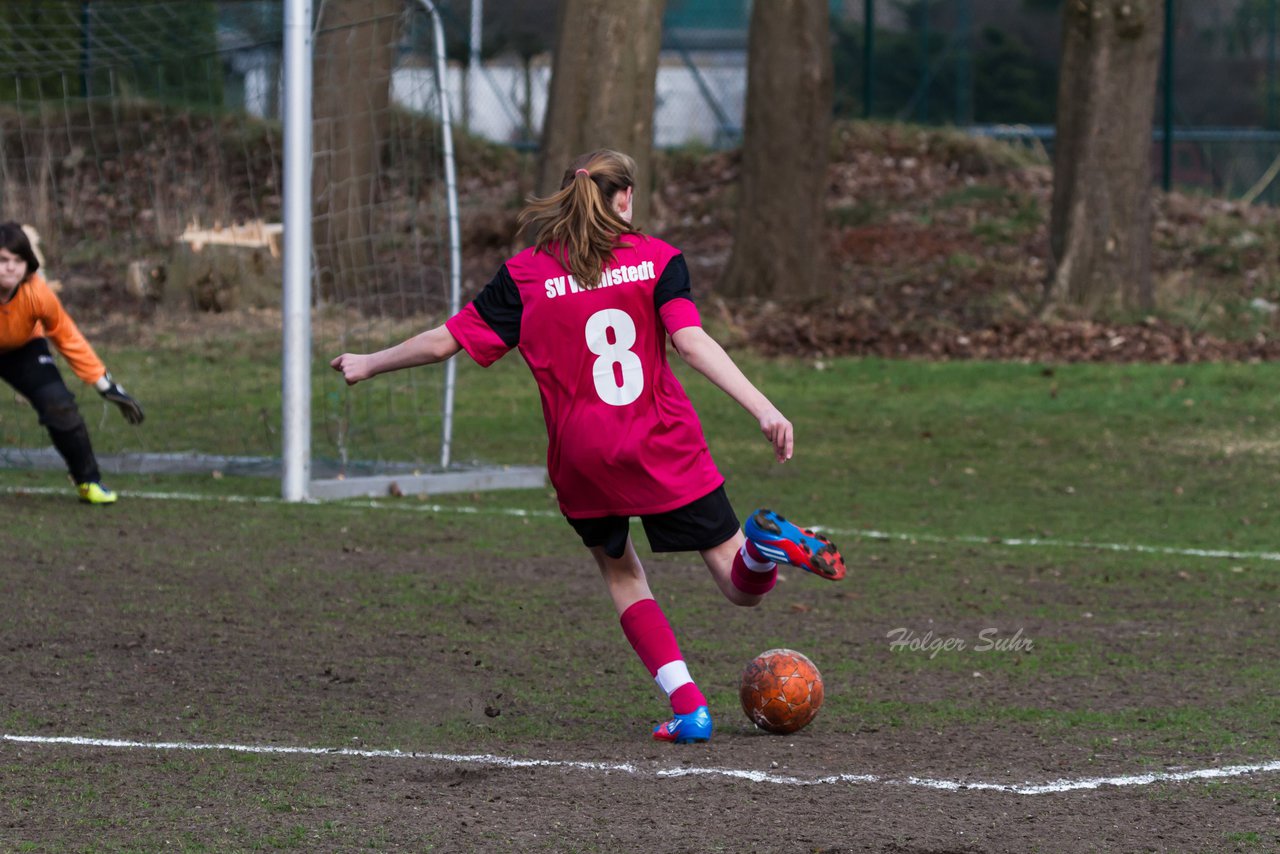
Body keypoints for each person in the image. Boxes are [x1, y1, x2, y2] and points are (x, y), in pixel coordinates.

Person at [331, 150, 844, 744]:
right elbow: (692, 341)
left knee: (623, 575)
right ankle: (762, 549)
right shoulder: (657, 260)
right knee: (738, 585)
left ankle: (689, 707)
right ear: (624, 197)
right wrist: (764, 408)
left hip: (582, 458)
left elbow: (445, 342)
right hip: (661, 444)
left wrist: (369, 362)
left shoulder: (525, 275)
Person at [0, 221, 144, 504]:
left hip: (23, 348)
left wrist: (104, 383)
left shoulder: (37, 292)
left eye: (17, 261)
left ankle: (88, 482)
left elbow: (67, 336)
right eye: (3, 260)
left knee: (59, 405)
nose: (11, 268)